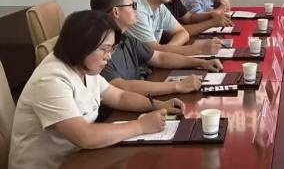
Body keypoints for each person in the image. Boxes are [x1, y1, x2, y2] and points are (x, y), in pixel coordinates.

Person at [8, 10, 185, 169]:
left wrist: (158, 105)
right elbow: (85, 136)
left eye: (111, 49)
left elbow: (119, 96)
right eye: (104, 50)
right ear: (81, 46)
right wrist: (141, 125)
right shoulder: (50, 80)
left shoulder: (85, 66)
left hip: (79, 158)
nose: (109, 57)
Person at [90, 0, 223, 96]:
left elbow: (159, 57)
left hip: (138, 97)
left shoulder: (126, 36)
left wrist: (201, 62)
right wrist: (178, 86)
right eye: (132, 5)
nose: (136, 8)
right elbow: (124, 87)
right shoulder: (98, 49)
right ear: (116, 12)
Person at [125, 0, 221, 56]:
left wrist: (168, 50)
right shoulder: (136, 10)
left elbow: (183, 33)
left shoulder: (161, 7)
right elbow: (153, 51)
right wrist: (199, 49)